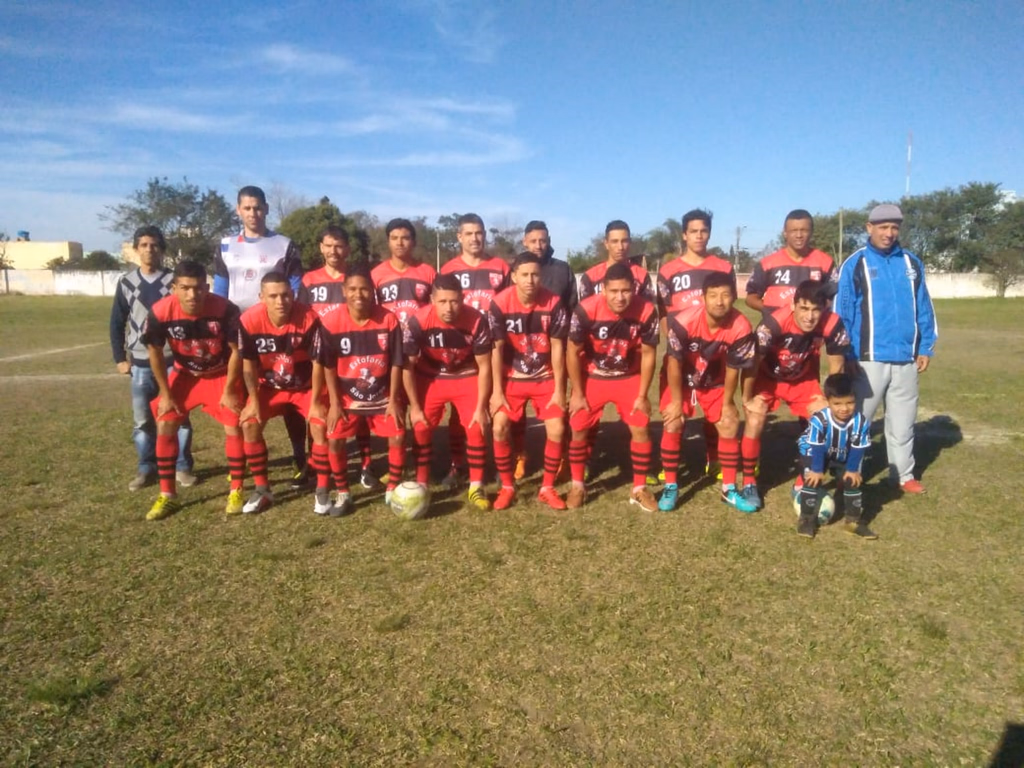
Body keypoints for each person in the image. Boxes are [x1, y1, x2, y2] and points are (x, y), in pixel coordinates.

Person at [835, 204, 937, 494]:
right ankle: (848, 470)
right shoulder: (856, 263)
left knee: (903, 423)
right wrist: (846, 354)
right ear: (869, 228)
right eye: (882, 227)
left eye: (894, 228)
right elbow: (842, 314)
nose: (889, 233)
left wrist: (925, 346)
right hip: (866, 359)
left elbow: (924, 307)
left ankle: (903, 475)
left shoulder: (911, 263)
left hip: (905, 358)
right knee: (857, 421)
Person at [213, 185, 308, 487]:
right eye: (247, 207)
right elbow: (219, 289)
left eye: (258, 207)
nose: (253, 213)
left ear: (266, 209)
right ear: (238, 210)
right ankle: (243, 461)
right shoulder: (226, 245)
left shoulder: (283, 244)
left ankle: (298, 456)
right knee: (242, 397)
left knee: (289, 390)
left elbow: (294, 286)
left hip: (277, 331)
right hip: (238, 333)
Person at [140, 261, 244, 520]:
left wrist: (230, 389)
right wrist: (165, 393)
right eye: (185, 288)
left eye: (198, 288)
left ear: (207, 288)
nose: (192, 295)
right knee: (165, 422)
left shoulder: (225, 309)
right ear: (174, 288)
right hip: (185, 375)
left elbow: (236, 351)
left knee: (234, 424)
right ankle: (167, 495)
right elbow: (154, 351)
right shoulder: (161, 311)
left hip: (219, 374)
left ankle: (237, 489)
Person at [741, 280, 850, 509]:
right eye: (804, 308)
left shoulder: (832, 324)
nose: (810, 316)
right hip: (767, 378)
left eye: (816, 310)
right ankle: (749, 482)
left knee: (825, 420)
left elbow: (836, 369)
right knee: (755, 416)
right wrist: (747, 398)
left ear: (825, 308)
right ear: (793, 305)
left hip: (802, 380)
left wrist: (829, 403)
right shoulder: (773, 323)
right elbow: (752, 362)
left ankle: (803, 484)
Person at [661, 272, 758, 513]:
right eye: (713, 295)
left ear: (735, 297)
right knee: (673, 422)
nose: (719, 301)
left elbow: (734, 369)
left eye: (725, 295)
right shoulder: (683, 322)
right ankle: (671, 485)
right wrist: (675, 401)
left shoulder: (742, 326)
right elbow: (673, 362)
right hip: (682, 380)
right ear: (703, 298)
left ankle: (728, 489)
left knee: (729, 422)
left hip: (715, 382)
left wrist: (728, 403)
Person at [566, 262, 659, 512]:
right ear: (604, 289)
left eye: (626, 291)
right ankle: (577, 485)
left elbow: (649, 354)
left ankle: (639, 488)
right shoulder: (585, 309)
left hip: (627, 377)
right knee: (578, 428)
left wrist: (642, 394)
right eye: (614, 291)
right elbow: (572, 352)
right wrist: (577, 392)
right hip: (593, 377)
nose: (620, 297)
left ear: (634, 289)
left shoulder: (647, 310)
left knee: (640, 427)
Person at [315, 265, 406, 515]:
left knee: (398, 435)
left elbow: (397, 362)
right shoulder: (331, 322)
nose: (359, 294)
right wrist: (334, 403)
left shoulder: (388, 319)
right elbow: (329, 367)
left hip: (381, 397)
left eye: (364, 289)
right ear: (344, 291)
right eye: (353, 289)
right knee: (334, 441)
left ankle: (393, 488)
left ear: (373, 291)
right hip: (346, 399)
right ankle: (344, 493)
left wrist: (394, 399)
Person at [110, 225, 194, 492]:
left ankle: (182, 466)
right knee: (143, 420)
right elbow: (117, 322)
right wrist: (119, 358)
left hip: (174, 360)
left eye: (154, 245)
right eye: (144, 245)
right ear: (136, 249)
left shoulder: (173, 282)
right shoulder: (126, 283)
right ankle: (147, 467)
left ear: (162, 249)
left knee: (179, 415)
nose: (149, 249)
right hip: (140, 363)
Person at [656, 209, 736, 480]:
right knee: (674, 413)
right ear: (684, 234)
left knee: (716, 412)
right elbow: (664, 313)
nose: (699, 236)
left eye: (703, 231)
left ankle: (714, 458)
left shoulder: (723, 267)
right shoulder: (668, 271)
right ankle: (669, 472)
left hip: (714, 354)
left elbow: (729, 308)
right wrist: (674, 346)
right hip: (681, 354)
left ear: (709, 233)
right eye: (693, 231)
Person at [403, 274, 493, 511]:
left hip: (465, 375)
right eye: (442, 302)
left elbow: (485, 366)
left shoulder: (476, 320)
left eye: (454, 301)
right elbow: (407, 367)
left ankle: (476, 485)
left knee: (476, 425)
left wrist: (482, 406)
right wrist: (414, 406)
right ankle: (421, 483)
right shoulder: (419, 320)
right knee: (421, 426)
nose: (449, 308)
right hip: (430, 376)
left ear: (462, 298)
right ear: (432, 299)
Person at [236, 272, 323, 514]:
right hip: (270, 387)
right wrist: (253, 401)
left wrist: (316, 401)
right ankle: (263, 490)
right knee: (250, 424)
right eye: (273, 296)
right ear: (261, 297)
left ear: (293, 295)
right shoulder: (249, 320)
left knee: (320, 422)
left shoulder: (309, 317)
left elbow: (319, 364)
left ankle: (322, 486)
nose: (280, 301)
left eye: (285, 295)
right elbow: (249, 366)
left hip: (304, 386)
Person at [488, 252, 570, 510]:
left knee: (556, 428)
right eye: (524, 275)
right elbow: (496, 350)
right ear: (514, 277)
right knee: (499, 426)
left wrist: (559, 390)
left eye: (535, 274)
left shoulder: (554, 302)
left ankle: (547, 487)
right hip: (511, 379)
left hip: (544, 378)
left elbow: (559, 348)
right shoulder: (499, 303)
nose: (530, 280)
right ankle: (507, 486)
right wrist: (497, 392)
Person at [439, 213, 510, 489]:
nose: (474, 238)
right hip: (461, 348)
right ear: (459, 237)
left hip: (495, 347)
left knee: (496, 406)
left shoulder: (500, 267)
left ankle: (496, 461)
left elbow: (508, 305)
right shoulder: (448, 269)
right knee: (460, 412)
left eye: (479, 233)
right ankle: (458, 463)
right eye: (468, 233)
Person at [516, 220, 577, 481]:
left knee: (558, 407)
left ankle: (561, 455)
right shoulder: (517, 267)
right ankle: (520, 456)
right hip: (522, 350)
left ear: (549, 240)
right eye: (533, 241)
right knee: (515, 412)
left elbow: (573, 307)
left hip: (556, 347)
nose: (538, 245)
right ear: (524, 242)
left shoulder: (562, 270)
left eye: (543, 240)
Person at [796, 373, 876, 539]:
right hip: (815, 451)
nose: (844, 408)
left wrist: (852, 470)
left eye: (850, 402)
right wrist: (817, 469)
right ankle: (806, 519)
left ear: (856, 399)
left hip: (841, 452)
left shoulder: (860, 422)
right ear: (828, 401)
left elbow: (858, 447)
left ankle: (853, 522)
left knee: (851, 480)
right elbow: (816, 445)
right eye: (837, 403)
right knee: (812, 479)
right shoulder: (820, 420)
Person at [745, 210, 837, 316]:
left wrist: (812, 312)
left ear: (811, 232)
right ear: (785, 233)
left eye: (804, 230)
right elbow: (750, 298)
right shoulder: (767, 263)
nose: (799, 235)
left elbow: (833, 299)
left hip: (811, 330)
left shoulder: (825, 262)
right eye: (793, 230)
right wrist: (770, 311)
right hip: (776, 331)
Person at [371, 218, 437, 327]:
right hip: (390, 338)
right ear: (388, 242)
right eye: (394, 238)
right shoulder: (375, 274)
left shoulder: (428, 273)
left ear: (413, 242)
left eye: (405, 238)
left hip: (421, 339)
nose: (399, 243)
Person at [577, 220, 653, 300]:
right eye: (614, 241)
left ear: (630, 242)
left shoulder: (642, 276)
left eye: (624, 241)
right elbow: (585, 309)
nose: (620, 247)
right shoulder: (590, 277)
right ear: (606, 244)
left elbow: (648, 309)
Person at [298, 225, 349, 317]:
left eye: (339, 246)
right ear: (322, 247)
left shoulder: (357, 280)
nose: (333, 251)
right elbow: (301, 316)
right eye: (328, 246)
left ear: (347, 249)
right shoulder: (309, 280)